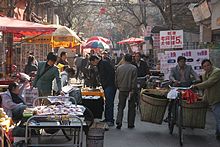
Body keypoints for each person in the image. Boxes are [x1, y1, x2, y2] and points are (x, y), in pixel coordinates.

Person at [193, 59, 220, 140]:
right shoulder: (205, 74)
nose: (207, 67)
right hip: (212, 98)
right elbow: (206, 88)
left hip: (218, 98)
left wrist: (196, 86)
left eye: (208, 65)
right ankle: (218, 134)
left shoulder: (217, 72)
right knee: (217, 117)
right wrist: (203, 98)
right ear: (203, 67)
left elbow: (209, 83)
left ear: (211, 65)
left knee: (218, 118)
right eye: (204, 66)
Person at [89, 55, 116, 126]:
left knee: (109, 103)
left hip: (110, 86)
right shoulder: (100, 64)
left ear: (95, 60)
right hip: (106, 86)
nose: (93, 64)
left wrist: (106, 83)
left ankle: (110, 120)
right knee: (107, 103)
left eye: (92, 62)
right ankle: (107, 118)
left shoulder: (104, 63)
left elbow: (111, 73)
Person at [115, 54, 138, 129]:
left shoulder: (119, 68)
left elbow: (116, 79)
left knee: (121, 106)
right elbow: (134, 81)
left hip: (121, 89)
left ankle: (119, 121)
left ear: (124, 59)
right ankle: (130, 123)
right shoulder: (134, 68)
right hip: (130, 90)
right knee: (131, 107)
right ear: (131, 60)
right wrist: (133, 90)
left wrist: (118, 86)